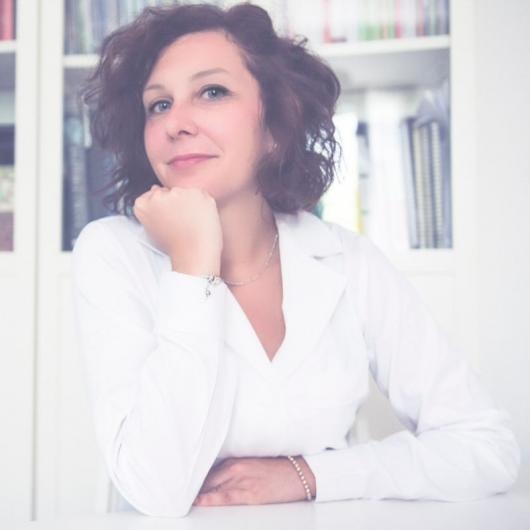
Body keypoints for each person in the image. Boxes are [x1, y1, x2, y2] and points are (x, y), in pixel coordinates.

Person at [72, 1, 521, 519]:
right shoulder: (113, 253)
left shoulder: (347, 261)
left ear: (275, 126)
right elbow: (156, 490)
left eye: (212, 92)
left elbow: (487, 446)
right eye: (158, 104)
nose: (175, 123)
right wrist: (193, 265)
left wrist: (309, 475)